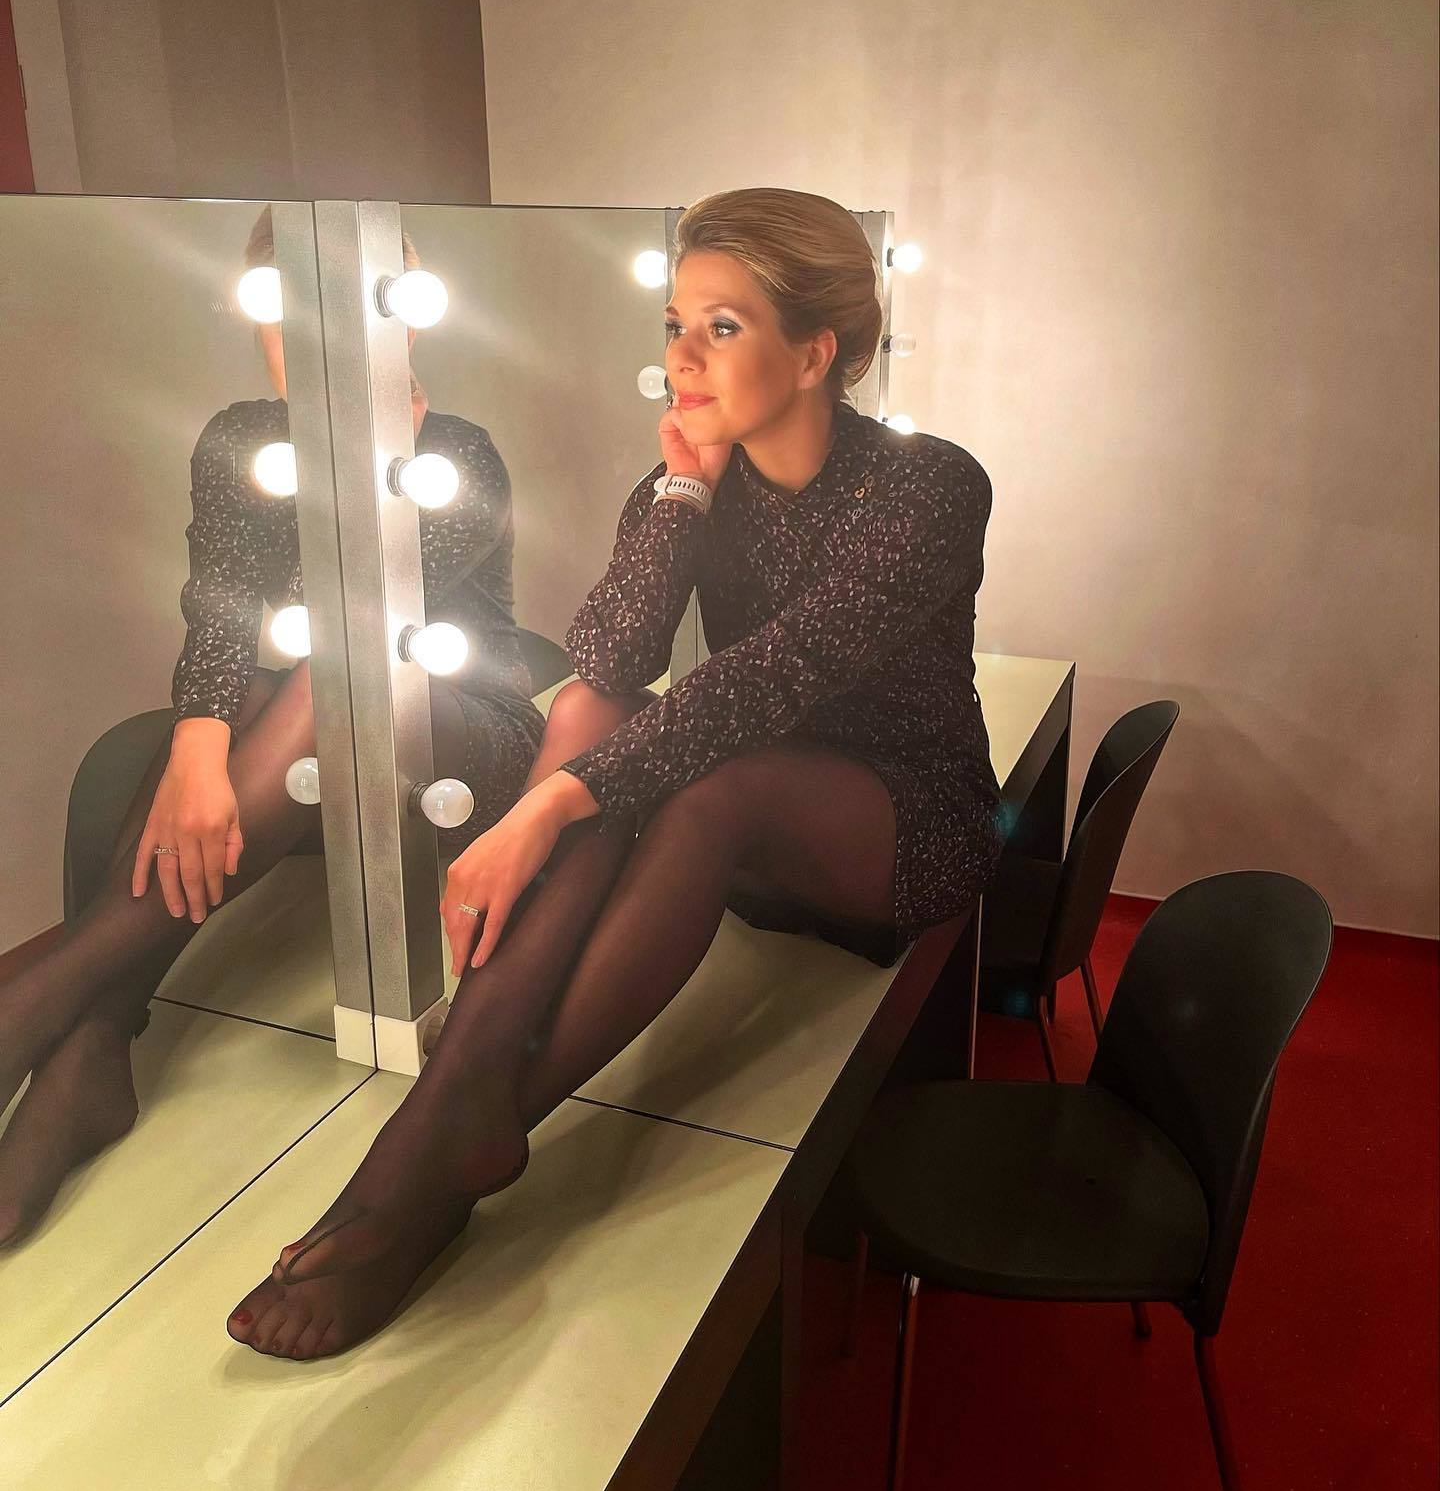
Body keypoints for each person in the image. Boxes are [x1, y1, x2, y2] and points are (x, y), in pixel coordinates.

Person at [223, 186, 1007, 1362]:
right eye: (675, 326)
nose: (681, 359)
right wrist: (682, 491)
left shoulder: (928, 486)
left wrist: (544, 807)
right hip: (739, 803)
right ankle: (465, 1104)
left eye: (722, 328)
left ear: (815, 352)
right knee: (595, 709)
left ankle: (439, 1158)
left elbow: (773, 679)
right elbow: (608, 656)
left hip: (900, 820)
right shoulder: (693, 482)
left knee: (710, 779)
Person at [0, 210, 543, 1246]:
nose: (305, 342)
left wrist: (213, 731)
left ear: (400, 319)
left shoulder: (455, 454)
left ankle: (38, 1010)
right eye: (279, 313)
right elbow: (222, 610)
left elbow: (353, 618)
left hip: (459, 726)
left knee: (334, 674)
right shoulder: (239, 438)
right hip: (307, 708)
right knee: (258, 700)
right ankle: (87, 1051)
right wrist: (199, 742)